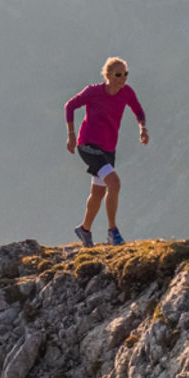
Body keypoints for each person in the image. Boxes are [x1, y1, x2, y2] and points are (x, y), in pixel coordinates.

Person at [64, 57, 147, 247]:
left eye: (125, 74)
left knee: (98, 193)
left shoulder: (126, 93)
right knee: (114, 183)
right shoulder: (93, 92)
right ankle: (113, 232)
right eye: (118, 74)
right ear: (108, 75)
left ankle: (84, 230)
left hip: (108, 148)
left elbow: (138, 111)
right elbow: (69, 106)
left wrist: (143, 128)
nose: (123, 78)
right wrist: (71, 135)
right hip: (88, 145)